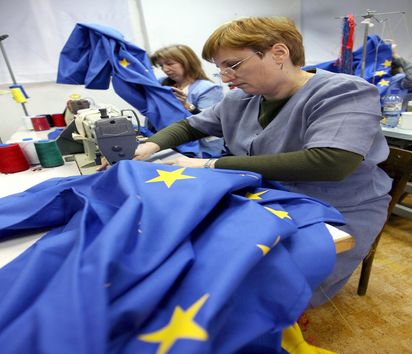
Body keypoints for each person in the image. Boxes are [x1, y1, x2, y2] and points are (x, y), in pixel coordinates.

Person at [131, 16, 392, 306]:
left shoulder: (344, 92)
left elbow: (332, 162)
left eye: (233, 65)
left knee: (262, 284)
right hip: (271, 195)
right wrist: (148, 146)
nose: (226, 77)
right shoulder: (240, 99)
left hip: (340, 206)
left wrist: (207, 165)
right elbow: (190, 126)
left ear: (279, 53)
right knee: (205, 254)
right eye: (220, 69)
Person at [150, 44, 225, 157]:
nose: (165, 69)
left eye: (170, 64)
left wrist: (187, 105)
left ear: (187, 62)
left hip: (202, 150)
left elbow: (212, 124)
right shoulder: (161, 83)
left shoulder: (208, 89)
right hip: (171, 144)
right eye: (161, 65)